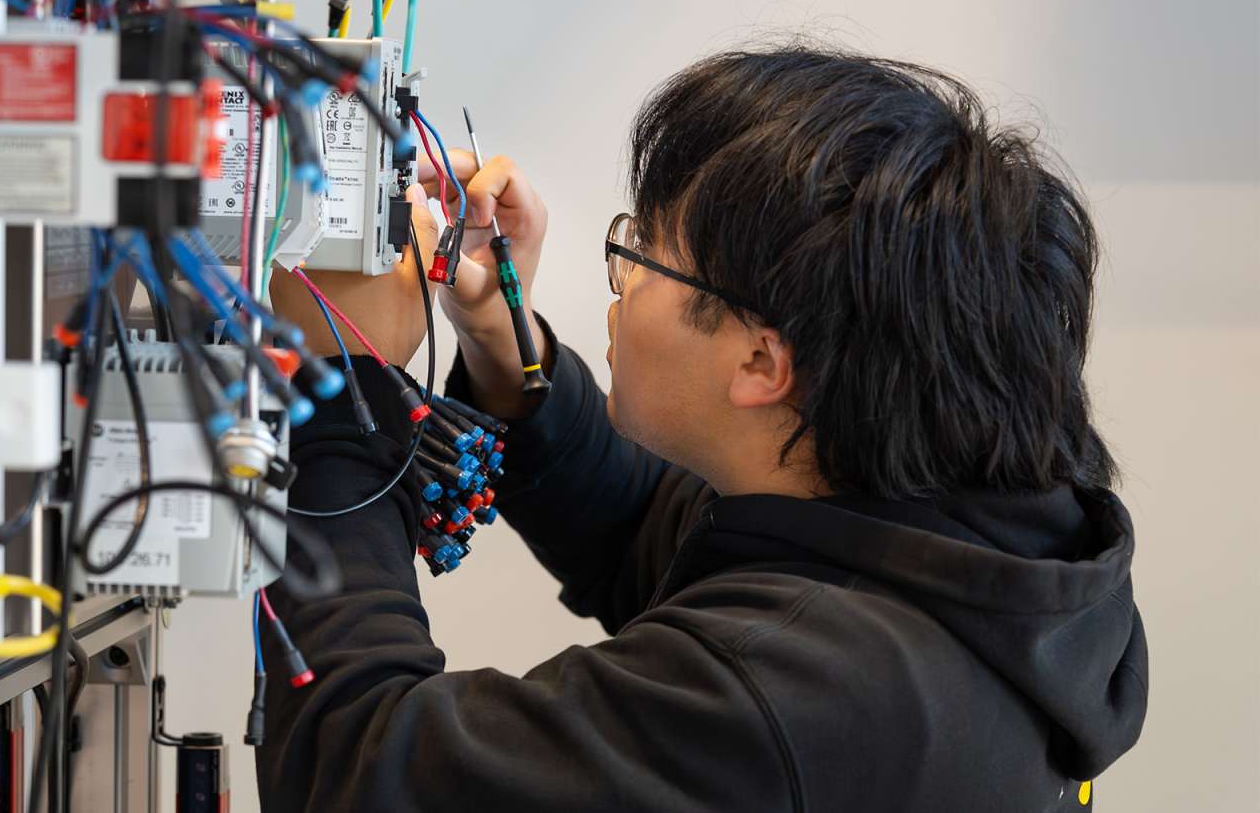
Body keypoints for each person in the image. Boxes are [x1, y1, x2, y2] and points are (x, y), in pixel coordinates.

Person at [257, 46, 1148, 812]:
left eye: (642, 248)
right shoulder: (993, 564)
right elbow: (648, 530)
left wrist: (345, 380)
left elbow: (353, 766)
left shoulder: (799, 698)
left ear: (763, 364)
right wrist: (504, 337)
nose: (618, 277)